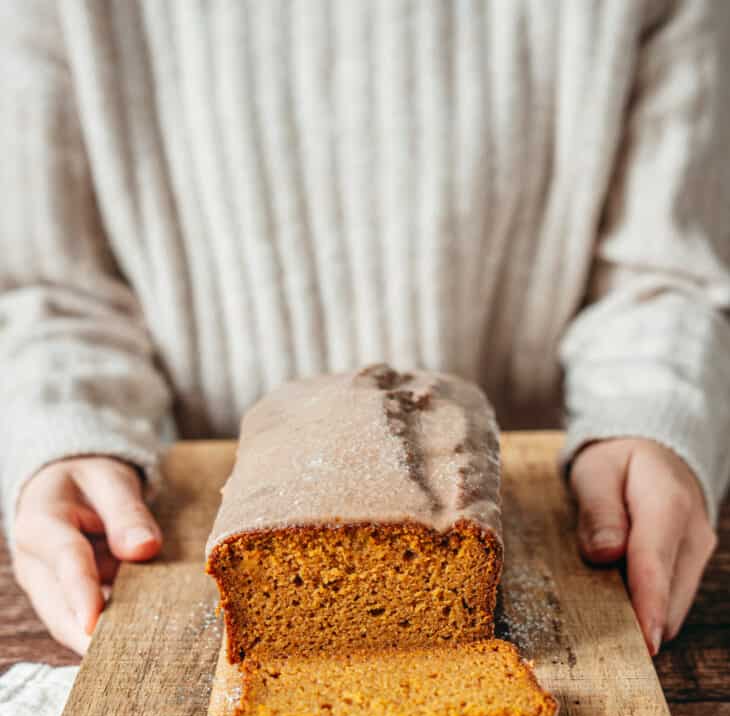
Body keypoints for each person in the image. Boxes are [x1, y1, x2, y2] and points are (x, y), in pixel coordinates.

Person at [2, 0, 728, 657]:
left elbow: (666, 271)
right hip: (182, 504)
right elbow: (49, 287)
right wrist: (63, 421)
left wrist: (650, 412)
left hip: (553, 507)